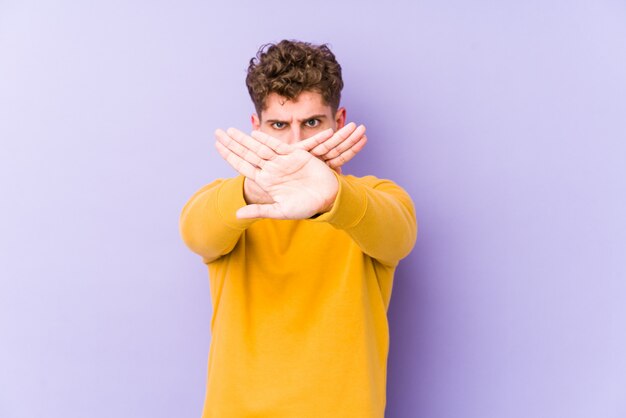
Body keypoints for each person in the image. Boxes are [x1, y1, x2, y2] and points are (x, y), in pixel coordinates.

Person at [180, 40, 417, 418]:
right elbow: (196, 233)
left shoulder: (374, 197)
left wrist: (332, 195)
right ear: (256, 127)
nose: (296, 144)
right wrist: (252, 189)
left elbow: (398, 237)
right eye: (279, 125)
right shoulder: (233, 201)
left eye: (311, 123)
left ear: (337, 122)